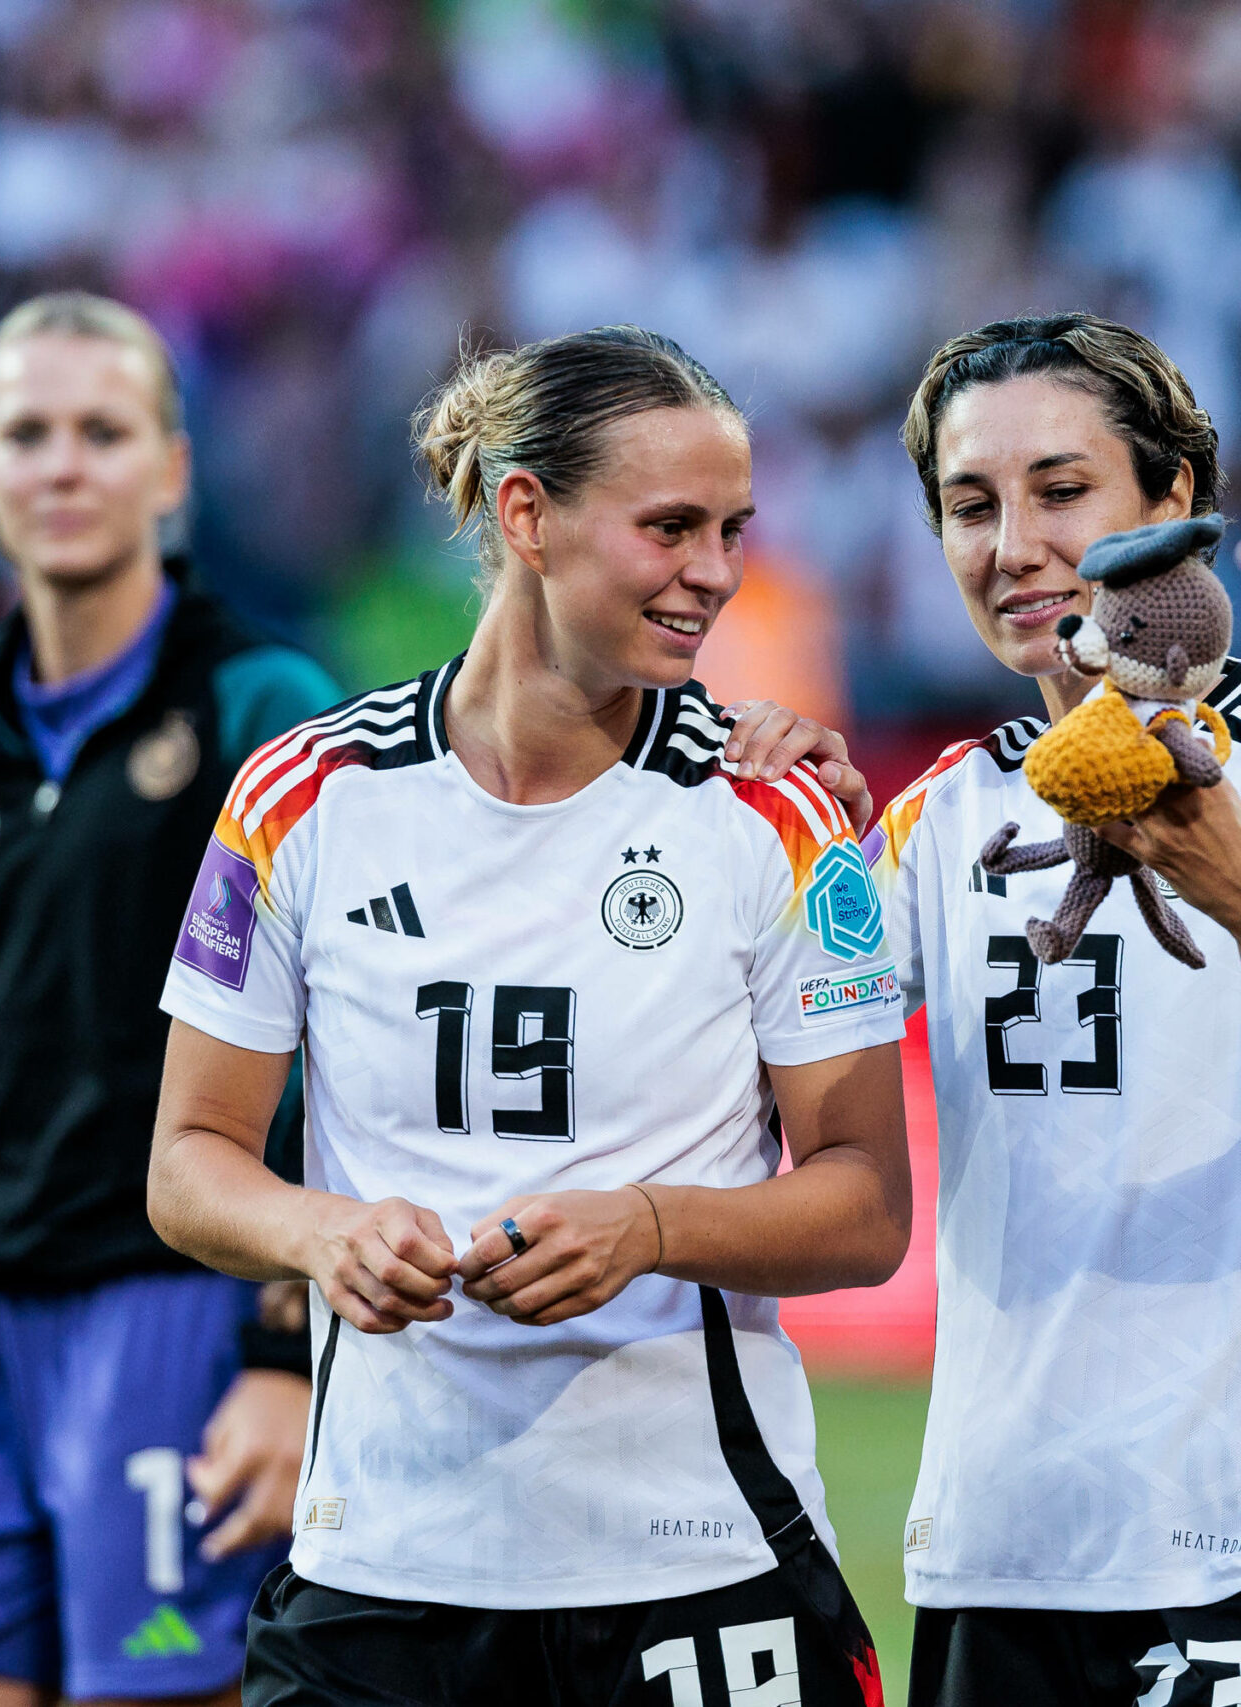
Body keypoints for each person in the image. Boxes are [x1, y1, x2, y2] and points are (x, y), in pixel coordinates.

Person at [146, 325, 910, 1706]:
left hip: (698, 1570)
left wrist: (651, 1229)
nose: (717, 577)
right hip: (382, 1576)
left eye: (734, 530)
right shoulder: (301, 798)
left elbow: (866, 1205)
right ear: (527, 516)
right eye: (671, 528)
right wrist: (326, 1236)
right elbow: (188, 1163)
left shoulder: (775, 811)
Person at [0, 292, 343, 1706]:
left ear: (172, 469)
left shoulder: (257, 700)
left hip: (178, 1315)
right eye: (28, 433)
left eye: (103, 431)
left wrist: (287, 1353)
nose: (63, 465)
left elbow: (337, 1046)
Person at [853, 311, 1241, 1706]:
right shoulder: (939, 814)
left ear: (1172, 503)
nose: (1013, 547)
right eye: (970, 506)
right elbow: (763, 1074)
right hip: (999, 1546)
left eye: (1062, 491)